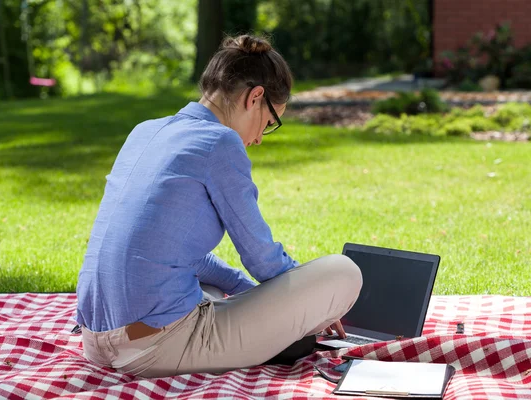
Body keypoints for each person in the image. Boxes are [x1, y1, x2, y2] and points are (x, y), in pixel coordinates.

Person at [75, 34, 362, 378]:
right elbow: (264, 259)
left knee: (208, 289)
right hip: (153, 348)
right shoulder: (220, 141)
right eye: (270, 123)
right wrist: (315, 305)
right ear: (255, 98)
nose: (258, 139)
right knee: (344, 272)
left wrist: (250, 293)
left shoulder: (146, 131)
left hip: (96, 341)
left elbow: (171, 251)